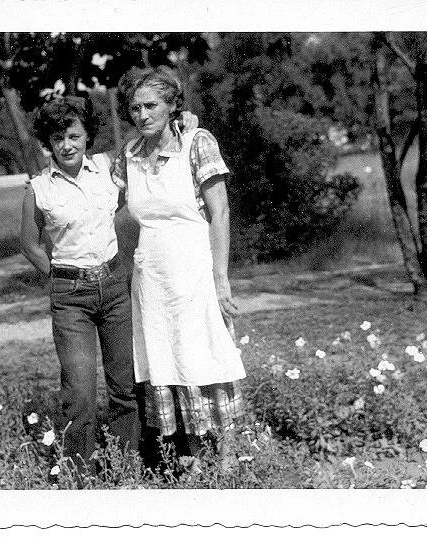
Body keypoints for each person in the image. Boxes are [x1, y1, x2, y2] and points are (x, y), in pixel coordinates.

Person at [19, 95, 197, 469]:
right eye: (57, 139)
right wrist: (61, 276)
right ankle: (80, 474)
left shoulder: (108, 167)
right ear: (46, 143)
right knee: (79, 393)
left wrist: (182, 124)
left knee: (127, 387)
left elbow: (149, 148)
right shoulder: (38, 188)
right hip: (71, 299)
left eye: (73, 136)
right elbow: (30, 244)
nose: (66, 145)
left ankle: (126, 466)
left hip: (115, 289)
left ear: (86, 137)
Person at [114, 66, 247, 468]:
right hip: (151, 276)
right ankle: (189, 457)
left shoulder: (197, 141)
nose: (142, 114)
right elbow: (115, 208)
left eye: (151, 105)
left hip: (194, 270)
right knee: (164, 357)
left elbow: (220, 212)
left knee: (203, 354)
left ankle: (227, 458)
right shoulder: (129, 154)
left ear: (173, 105)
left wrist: (220, 278)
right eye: (135, 107)